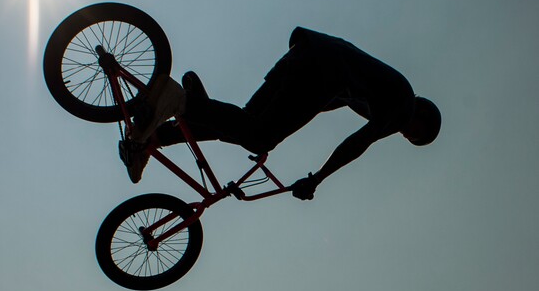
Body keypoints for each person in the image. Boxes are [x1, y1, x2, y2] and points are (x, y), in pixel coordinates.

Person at [119, 25, 441, 197]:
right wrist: (317, 179)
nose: (408, 134)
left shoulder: (376, 92)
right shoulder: (402, 106)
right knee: (259, 137)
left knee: (245, 127)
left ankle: (155, 136)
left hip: (304, 53)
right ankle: (184, 101)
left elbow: (321, 105)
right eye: (417, 135)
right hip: (321, 71)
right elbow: (358, 144)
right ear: (421, 118)